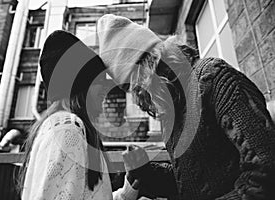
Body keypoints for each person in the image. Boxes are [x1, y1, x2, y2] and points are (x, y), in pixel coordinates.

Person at [97, 14, 275, 200]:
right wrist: (147, 174)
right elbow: (193, 183)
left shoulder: (214, 78)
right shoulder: (171, 113)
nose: (136, 98)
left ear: (148, 66)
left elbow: (265, 168)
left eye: (133, 86)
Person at [19, 30, 139, 200]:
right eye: (98, 80)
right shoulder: (67, 130)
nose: (105, 88)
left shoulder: (68, 128)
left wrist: (127, 192)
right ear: (80, 84)